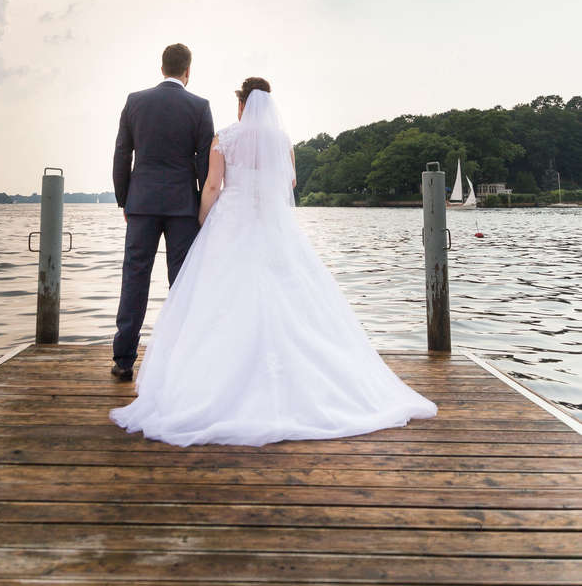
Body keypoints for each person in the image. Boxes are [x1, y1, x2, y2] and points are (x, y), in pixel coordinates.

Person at [110, 78, 437, 444]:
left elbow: (213, 186)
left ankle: (174, 366)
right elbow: (291, 182)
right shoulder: (283, 141)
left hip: (229, 224)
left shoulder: (227, 137)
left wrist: (203, 221)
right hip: (271, 226)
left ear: (241, 105)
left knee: (217, 297)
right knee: (285, 294)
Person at [111, 43, 214, 380]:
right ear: (188, 71)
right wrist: (202, 207)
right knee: (182, 282)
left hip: (141, 203)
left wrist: (124, 199)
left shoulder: (135, 101)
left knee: (134, 278)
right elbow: (204, 163)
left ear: (161, 68)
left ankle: (124, 360)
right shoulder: (200, 106)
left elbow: (122, 154)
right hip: (183, 206)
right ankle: (182, 358)